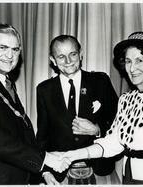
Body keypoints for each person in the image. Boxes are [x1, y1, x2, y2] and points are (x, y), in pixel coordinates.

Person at [61, 31, 143, 185]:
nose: (132, 68)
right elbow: (111, 143)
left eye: (139, 60)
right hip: (128, 178)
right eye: (128, 61)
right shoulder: (126, 100)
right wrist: (72, 155)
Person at [0, 23, 70, 185]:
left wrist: (43, 172)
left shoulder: (4, 81)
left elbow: (22, 133)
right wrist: (44, 159)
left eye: (15, 50)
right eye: (3, 47)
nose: (9, 55)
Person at [36, 35, 119, 184]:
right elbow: (42, 135)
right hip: (59, 173)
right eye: (61, 57)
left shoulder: (100, 81)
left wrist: (97, 130)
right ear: (53, 60)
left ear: (80, 54)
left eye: (72, 54)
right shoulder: (44, 90)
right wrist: (45, 171)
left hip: (99, 169)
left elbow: (120, 125)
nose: (68, 61)